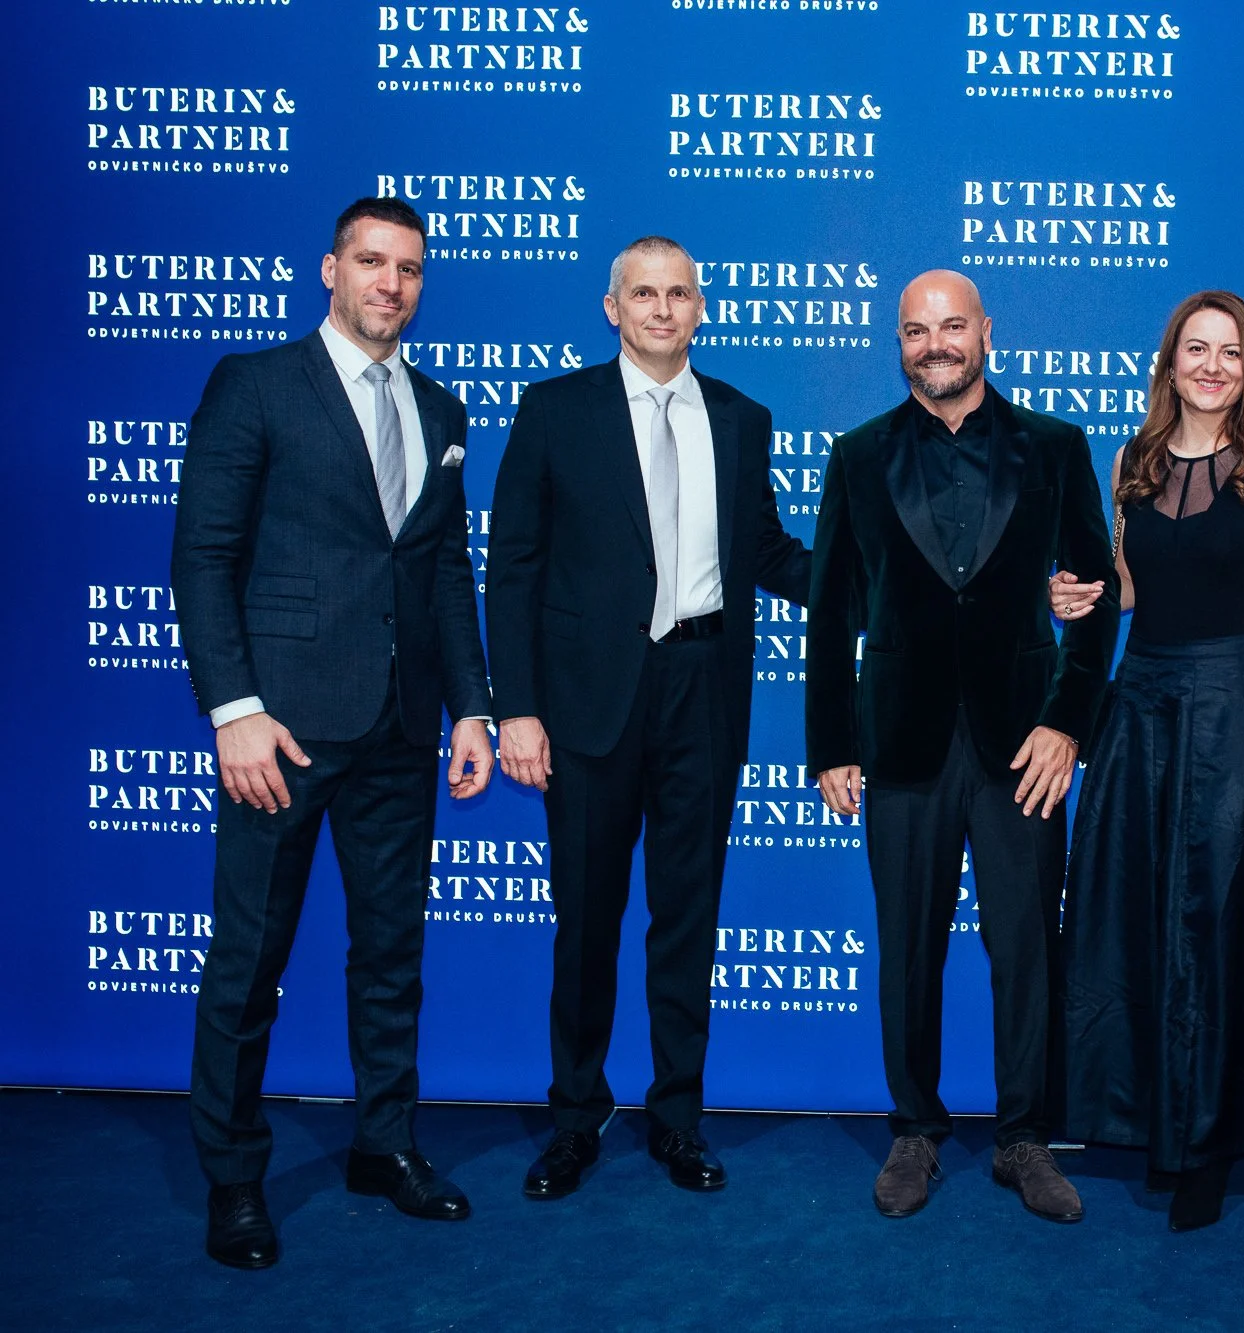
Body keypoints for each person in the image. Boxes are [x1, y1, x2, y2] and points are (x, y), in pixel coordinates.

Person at [171, 196, 494, 1269]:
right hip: (282, 733)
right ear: (329, 269)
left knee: (390, 956)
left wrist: (472, 708)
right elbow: (204, 557)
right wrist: (236, 711)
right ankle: (233, 1177)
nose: (388, 284)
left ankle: (383, 1144)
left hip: (401, 731)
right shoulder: (255, 383)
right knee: (247, 962)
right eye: (370, 261)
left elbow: (445, 573)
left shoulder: (441, 410)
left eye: (407, 267)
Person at [485, 237, 813, 1200]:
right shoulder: (555, 410)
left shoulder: (742, 417)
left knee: (688, 918)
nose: (662, 309)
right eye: (644, 294)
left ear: (699, 308)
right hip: (586, 701)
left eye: (678, 294)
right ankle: (575, 1118)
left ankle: (678, 1117)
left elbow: (767, 551)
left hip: (703, 688)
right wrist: (519, 709)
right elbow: (512, 569)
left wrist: (886, 587)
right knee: (585, 919)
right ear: (612, 307)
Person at [806, 271, 1118, 1223]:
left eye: (951, 326)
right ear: (897, 343)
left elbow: (1096, 600)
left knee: (1025, 946)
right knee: (906, 947)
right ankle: (915, 1127)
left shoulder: (1057, 447)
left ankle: (1024, 1135)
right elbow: (829, 617)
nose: (934, 343)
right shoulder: (856, 457)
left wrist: (1066, 723)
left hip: (1023, 743)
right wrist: (831, 746)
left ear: (987, 332)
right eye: (914, 330)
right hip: (899, 746)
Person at [1060, 291, 1244, 1232]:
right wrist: (1083, 594)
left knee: (1219, 929)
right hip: (1139, 710)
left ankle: (1211, 1140)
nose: (1212, 366)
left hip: (1235, 707)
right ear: (1169, 361)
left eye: (1229, 351)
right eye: (1195, 349)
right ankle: (1153, 1118)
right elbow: (1135, 587)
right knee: (1141, 919)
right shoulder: (1132, 461)